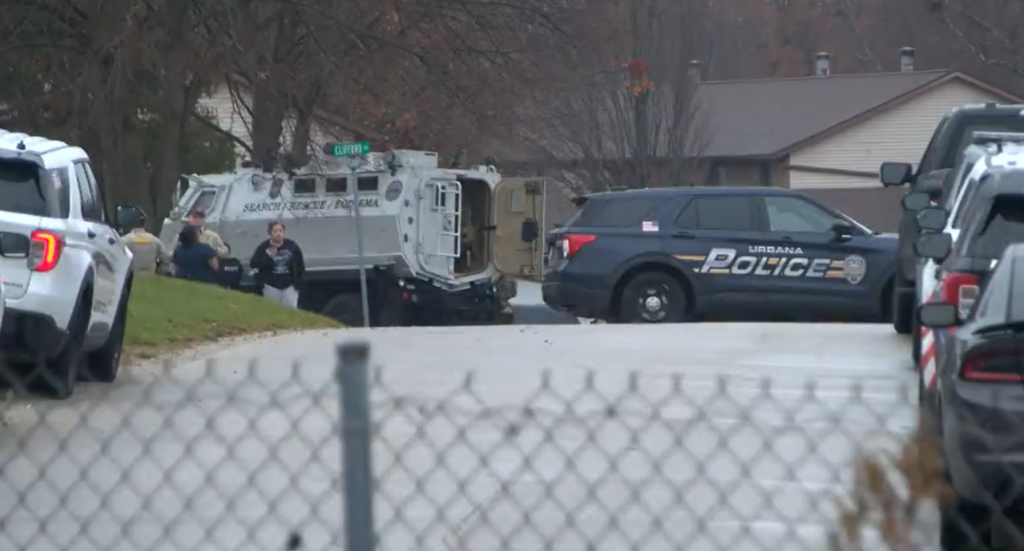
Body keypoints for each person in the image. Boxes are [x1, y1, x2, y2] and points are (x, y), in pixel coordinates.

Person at [250, 221, 305, 308]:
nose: (278, 234)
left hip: (289, 286)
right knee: (272, 310)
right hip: (271, 286)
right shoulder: (263, 247)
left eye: (280, 231)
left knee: (291, 311)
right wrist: (267, 256)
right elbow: (254, 264)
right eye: (275, 231)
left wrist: (297, 284)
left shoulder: (292, 246)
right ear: (270, 233)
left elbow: (300, 264)